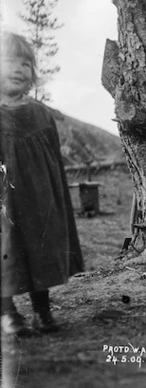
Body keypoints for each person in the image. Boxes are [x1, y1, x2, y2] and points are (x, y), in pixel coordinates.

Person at [0, 32, 84, 336]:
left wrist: (55, 197)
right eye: (10, 60)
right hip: (4, 201)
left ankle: (42, 310)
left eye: (26, 63)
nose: (20, 68)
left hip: (38, 198)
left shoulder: (40, 114)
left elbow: (53, 162)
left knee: (41, 248)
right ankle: (7, 313)